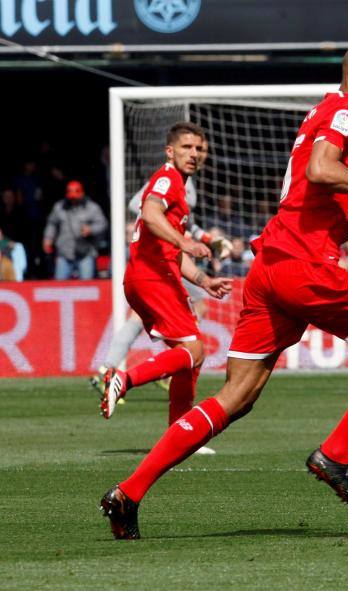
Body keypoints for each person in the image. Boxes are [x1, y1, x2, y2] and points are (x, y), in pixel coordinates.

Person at [99, 42, 348, 540]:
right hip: (304, 268)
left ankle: (128, 493)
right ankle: (338, 452)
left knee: (236, 397)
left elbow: (313, 193)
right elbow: (320, 171)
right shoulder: (347, 108)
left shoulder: (322, 113)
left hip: (272, 267)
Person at [99, 123, 233, 440]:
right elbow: (149, 213)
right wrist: (186, 242)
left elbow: (171, 248)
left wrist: (203, 280)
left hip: (157, 276)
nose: (194, 154)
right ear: (170, 151)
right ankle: (124, 379)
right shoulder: (166, 179)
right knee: (195, 350)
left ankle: (180, 436)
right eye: (186, 147)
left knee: (190, 358)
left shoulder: (180, 189)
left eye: (199, 148)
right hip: (152, 277)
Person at [42, 180, 108, 280]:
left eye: (76, 199)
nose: (73, 201)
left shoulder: (92, 208)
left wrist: (90, 229)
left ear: (82, 194)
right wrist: (48, 238)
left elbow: (102, 224)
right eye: (71, 199)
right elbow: (52, 224)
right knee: (60, 286)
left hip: (85, 253)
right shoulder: (59, 207)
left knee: (86, 286)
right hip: (64, 253)